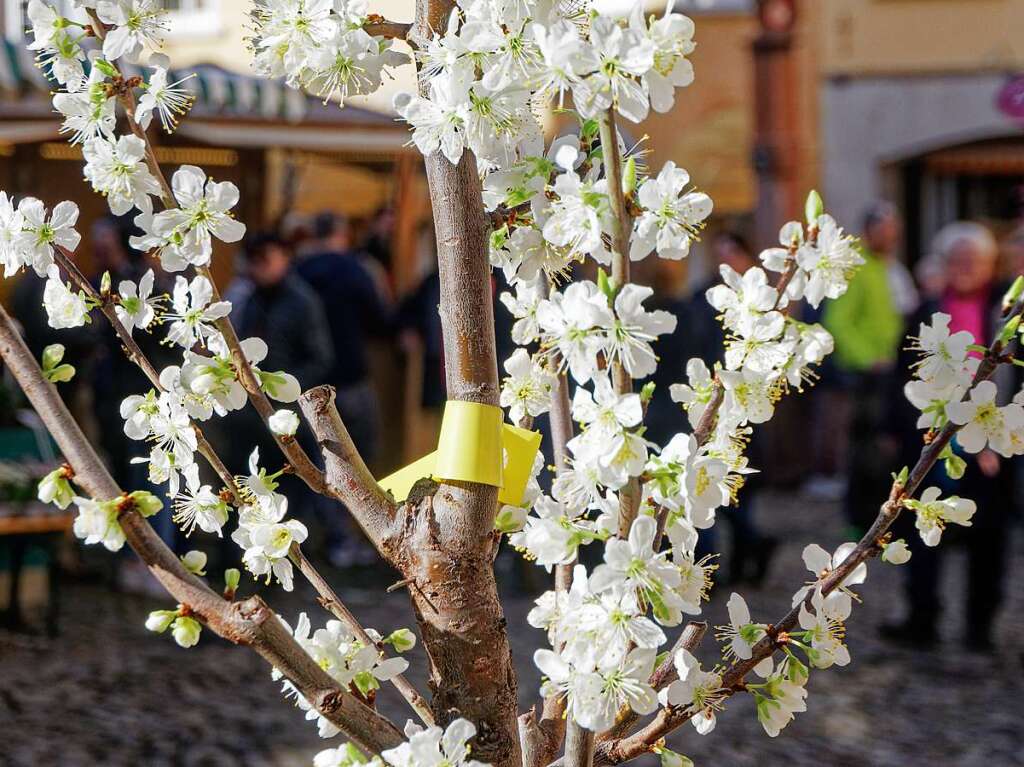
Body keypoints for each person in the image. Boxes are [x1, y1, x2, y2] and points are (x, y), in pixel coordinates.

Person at [882, 222, 1015, 652]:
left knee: (988, 536)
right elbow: (900, 373)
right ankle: (922, 618)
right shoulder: (925, 310)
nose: (965, 268)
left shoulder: (1008, 312)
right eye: (957, 260)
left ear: (992, 265)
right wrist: (893, 426)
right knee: (924, 528)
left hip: (993, 440)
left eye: (974, 261)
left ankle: (980, 627)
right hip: (933, 439)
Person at [650, 231, 777, 585]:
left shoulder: (754, 302)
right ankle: (719, 564)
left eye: (733, 253)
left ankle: (735, 560)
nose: (726, 262)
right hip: (705, 407)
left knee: (735, 490)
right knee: (710, 491)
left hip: (738, 409)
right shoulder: (699, 302)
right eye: (720, 254)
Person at [823, 202, 919, 533]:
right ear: (869, 231)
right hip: (869, 375)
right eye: (885, 230)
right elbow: (838, 320)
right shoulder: (856, 267)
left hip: (895, 372)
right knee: (866, 452)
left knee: (890, 448)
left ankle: (886, 518)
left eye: (895, 230)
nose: (891, 236)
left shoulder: (889, 266)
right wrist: (867, 358)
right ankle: (860, 520)